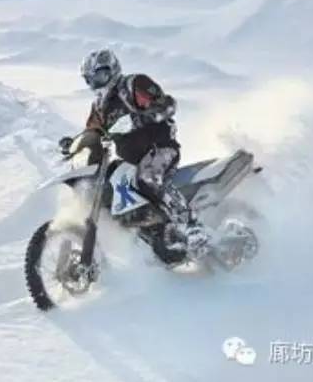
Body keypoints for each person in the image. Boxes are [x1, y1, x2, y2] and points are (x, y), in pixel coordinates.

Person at [61, 48, 210, 259]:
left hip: (160, 147)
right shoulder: (99, 106)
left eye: (100, 75)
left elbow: (166, 104)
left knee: (147, 178)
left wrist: (149, 113)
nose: (97, 83)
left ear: (112, 70)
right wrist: (74, 144)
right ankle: (153, 235)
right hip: (132, 159)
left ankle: (193, 226)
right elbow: (93, 132)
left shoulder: (132, 85)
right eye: (91, 79)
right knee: (112, 190)